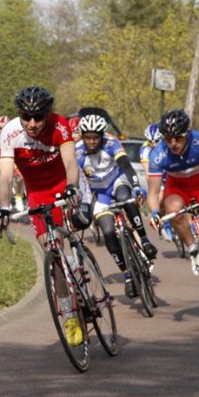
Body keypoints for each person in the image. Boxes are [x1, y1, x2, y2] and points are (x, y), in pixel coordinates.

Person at [0, 86, 90, 347]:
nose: (32, 123)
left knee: (78, 224)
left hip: (64, 183)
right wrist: (4, 205)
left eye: (38, 117)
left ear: (47, 115)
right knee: (52, 250)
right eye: (26, 117)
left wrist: (71, 188)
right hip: (38, 193)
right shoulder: (10, 133)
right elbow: (4, 176)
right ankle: (69, 313)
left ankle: (80, 266)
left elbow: (71, 163)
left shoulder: (59, 125)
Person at [75, 113, 157, 299]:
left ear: (102, 136)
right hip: (99, 193)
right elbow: (75, 180)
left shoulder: (111, 143)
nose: (92, 141)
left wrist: (136, 186)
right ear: (83, 136)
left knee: (126, 197)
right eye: (88, 137)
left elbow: (126, 166)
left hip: (116, 180)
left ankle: (144, 241)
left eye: (95, 137)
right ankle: (128, 276)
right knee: (108, 231)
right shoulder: (78, 152)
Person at [146, 109, 199, 276]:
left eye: (179, 138)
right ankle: (193, 249)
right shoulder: (157, 155)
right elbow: (153, 192)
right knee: (172, 209)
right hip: (178, 187)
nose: (174, 143)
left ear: (188, 133)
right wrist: (155, 213)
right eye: (169, 139)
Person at [140, 122, 176, 244]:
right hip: (156, 174)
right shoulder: (145, 150)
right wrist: (153, 189)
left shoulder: (169, 144)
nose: (154, 144)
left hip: (169, 171)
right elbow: (147, 172)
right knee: (160, 196)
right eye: (151, 141)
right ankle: (165, 223)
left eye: (157, 141)